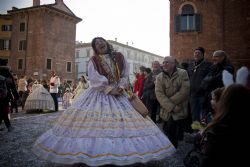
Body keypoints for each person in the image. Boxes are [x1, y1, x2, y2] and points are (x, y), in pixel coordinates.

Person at [32, 37, 175, 166]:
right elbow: (94, 79)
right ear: (95, 48)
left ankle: (120, 152)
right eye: (96, 44)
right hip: (99, 94)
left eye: (102, 42)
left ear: (107, 44)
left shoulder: (119, 57)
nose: (100, 44)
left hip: (119, 93)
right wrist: (109, 89)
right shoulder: (93, 60)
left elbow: (125, 75)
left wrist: (120, 86)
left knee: (123, 124)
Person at [198, 84, 250, 167]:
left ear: (224, 102)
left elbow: (207, 160)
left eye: (214, 99)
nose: (211, 101)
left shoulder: (218, 129)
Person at [155, 56, 190, 148]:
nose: (164, 64)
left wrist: (171, 103)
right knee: (167, 128)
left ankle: (173, 148)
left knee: (175, 128)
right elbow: (159, 94)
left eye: (167, 62)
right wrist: (171, 106)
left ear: (173, 64)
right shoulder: (159, 77)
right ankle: (172, 146)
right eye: (163, 62)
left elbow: (184, 91)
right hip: (168, 108)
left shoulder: (183, 73)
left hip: (179, 107)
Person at [187, 47, 212, 122]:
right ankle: (196, 131)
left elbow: (209, 79)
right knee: (194, 115)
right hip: (192, 95)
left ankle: (203, 132)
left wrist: (202, 89)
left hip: (203, 95)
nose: (196, 54)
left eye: (199, 53)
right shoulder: (190, 65)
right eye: (195, 53)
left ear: (203, 55)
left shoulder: (208, 65)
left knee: (204, 114)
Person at [0, 58, 19, 132]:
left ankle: (9, 126)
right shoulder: (7, 73)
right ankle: (9, 126)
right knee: (4, 111)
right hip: (4, 96)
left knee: (2, 111)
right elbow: (13, 87)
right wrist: (16, 96)